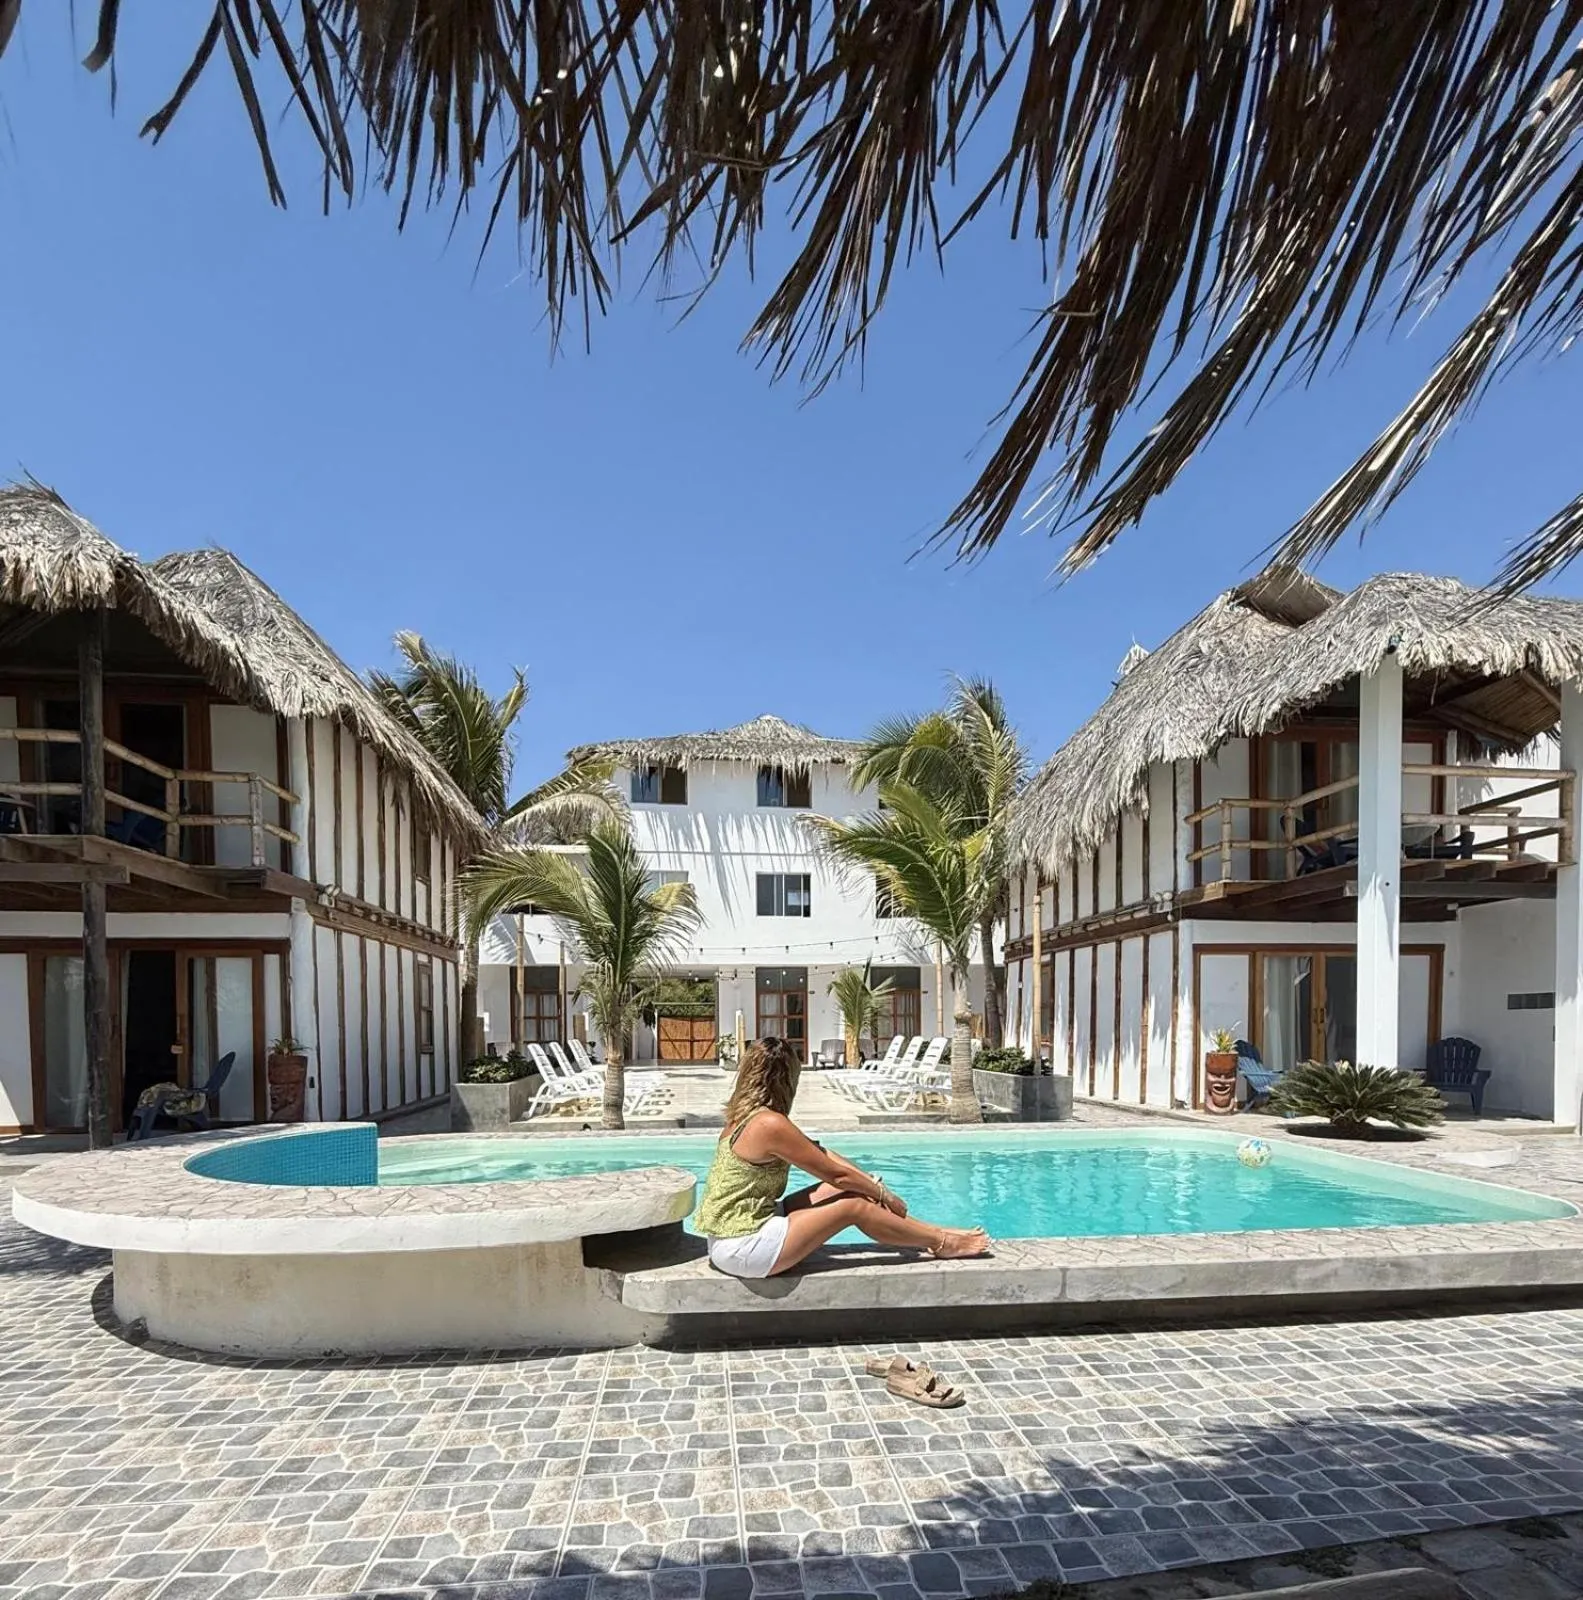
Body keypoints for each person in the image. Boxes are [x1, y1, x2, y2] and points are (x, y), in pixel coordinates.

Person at [695, 1036, 990, 1278]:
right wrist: (882, 1194)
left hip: (741, 1230)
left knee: (855, 1188)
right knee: (854, 1205)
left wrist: (871, 1183)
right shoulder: (768, 1124)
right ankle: (941, 1242)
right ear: (788, 1078)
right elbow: (835, 1174)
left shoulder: (749, 1117)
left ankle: (930, 1232)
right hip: (744, 1247)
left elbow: (823, 1155)